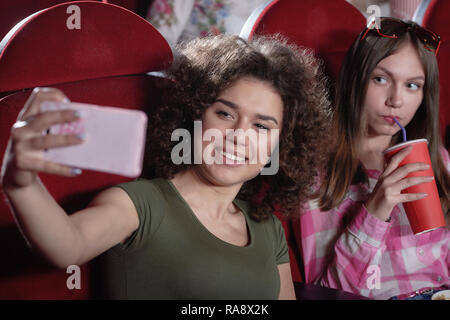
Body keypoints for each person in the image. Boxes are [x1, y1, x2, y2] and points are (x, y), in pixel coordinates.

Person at [0, 34, 331, 299]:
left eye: (261, 126)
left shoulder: (266, 227)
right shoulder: (139, 204)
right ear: (195, 116)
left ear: (280, 145)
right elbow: (67, 245)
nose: (239, 137)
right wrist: (20, 182)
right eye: (225, 114)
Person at [298, 17, 450, 300]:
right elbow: (326, 292)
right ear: (356, 80)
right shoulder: (319, 175)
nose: (396, 100)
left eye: (412, 85)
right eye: (381, 79)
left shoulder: (439, 160)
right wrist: (375, 211)